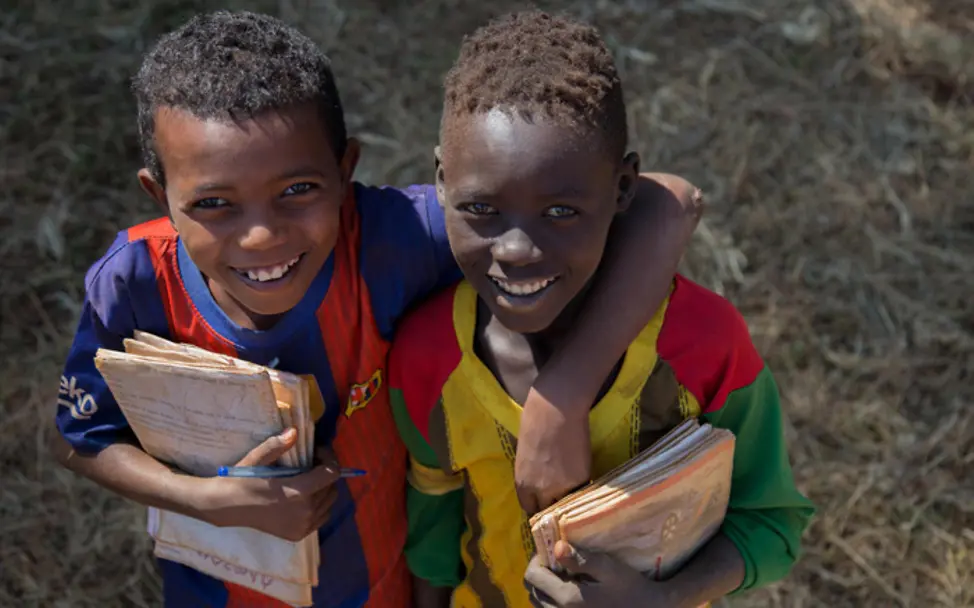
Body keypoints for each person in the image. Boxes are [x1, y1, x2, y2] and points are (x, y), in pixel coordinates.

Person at [52, 10, 703, 608]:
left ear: (346, 169)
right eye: (214, 204)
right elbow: (81, 436)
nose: (261, 237)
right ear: (157, 192)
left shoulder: (395, 242)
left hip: (383, 590)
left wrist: (562, 395)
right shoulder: (135, 281)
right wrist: (207, 498)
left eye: (298, 190)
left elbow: (669, 202)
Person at [388, 10, 816, 608]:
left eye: (560, 212)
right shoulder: (425, 357)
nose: (515, 250)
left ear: (622, 188)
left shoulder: (702, 345)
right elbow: (432, 543)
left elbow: (771, 523)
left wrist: (663, 599)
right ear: (441, 180)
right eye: (482, 210)